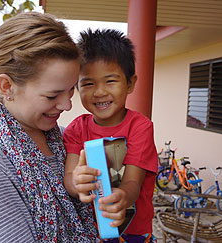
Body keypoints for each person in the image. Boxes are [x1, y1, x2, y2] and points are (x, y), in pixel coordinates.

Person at [0, 12, 98, 243]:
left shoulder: (62, 137)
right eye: (52, 95)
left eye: (71, 89)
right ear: (7, 86)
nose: (67, 105)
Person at [63, 29, 159, 243]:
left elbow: (133, 183)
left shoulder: (140, 127)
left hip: (134, 232)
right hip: (89, 232)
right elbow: (69, 176)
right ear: (77, 87)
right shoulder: (76, 129)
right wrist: (76, 182)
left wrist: (123, 196)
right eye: (88, 83)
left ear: (130, 83)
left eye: (110, 81)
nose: (99, 92)